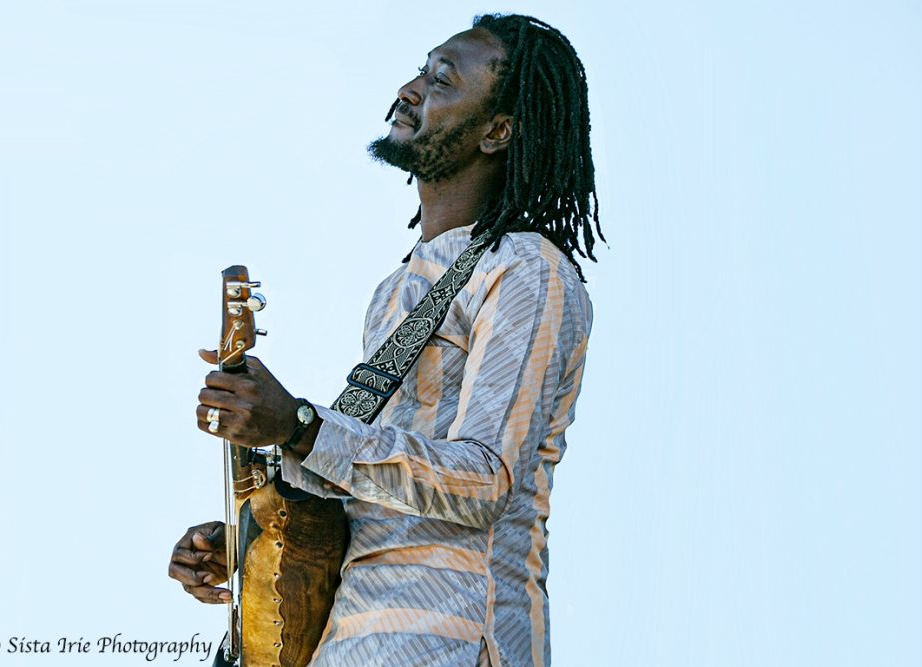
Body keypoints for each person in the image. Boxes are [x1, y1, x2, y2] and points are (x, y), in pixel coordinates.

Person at [168, 13, 603, 667]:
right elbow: (372, 491)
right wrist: (254, 537)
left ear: (498, 130)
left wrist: (301, 424)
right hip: (349, 638)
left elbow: (485, 481)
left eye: (441, 79)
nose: (409, 88)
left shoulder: (527, 269)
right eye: (419, 69)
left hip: (450, 639)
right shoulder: (396, 289)